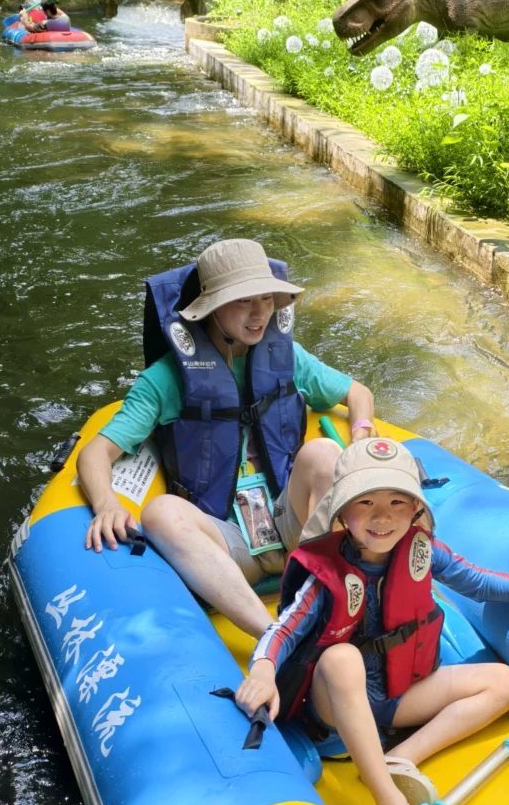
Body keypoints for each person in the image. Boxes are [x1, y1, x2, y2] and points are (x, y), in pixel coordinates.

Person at [238, 438, 509, 805]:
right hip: (334, 713)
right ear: (342, 511)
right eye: (365, 502)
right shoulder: (326, 572)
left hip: (397, 698)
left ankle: (399, 758)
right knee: (341, 658)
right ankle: (389, 802)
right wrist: (263, 670)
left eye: (397, 502)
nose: (382, 517)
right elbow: (283, 629)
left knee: (502, 682)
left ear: (415, 508)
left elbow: (476, 580)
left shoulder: (421, 550)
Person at [77, 239, 376, 640]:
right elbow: (96, 452)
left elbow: (358, 394)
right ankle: (279, 638)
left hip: (293, 521)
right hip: (225, 539)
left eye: (267, 299)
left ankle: (333, 597)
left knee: (323, 452)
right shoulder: (166, 378)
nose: (259, 314)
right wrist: (106, 504)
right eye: (243, 302)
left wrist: (360, 435)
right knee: (160, 512)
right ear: (211, 307)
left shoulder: (288, 357)